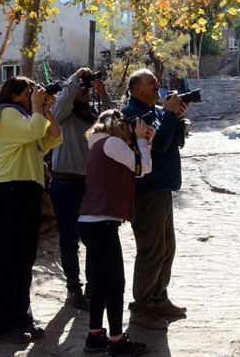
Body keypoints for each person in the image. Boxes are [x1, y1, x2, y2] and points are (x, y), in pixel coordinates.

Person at [0, 76, 63, 344]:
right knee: (9, 262)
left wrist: (47, 107)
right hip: (8, 193)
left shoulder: (30, 119)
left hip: (26, 195)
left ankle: (21, 319)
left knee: (24, 261)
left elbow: (54, 138)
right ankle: (1, 326)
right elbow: (34, 131)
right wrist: (38, 108)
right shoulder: (7, 114)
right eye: (31, 92)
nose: (35, 95)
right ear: (16, 95)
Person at [78, 109, 153, 356]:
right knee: (115, 284)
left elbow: (137, 166)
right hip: (102, 223)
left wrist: (144, 142)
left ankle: (94, 336)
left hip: (90, 221)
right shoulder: (111, 142)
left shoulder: (98, 144)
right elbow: (144, 168)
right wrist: (141, 140)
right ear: (117, 125)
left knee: (100, 283)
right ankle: (117, 342)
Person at [121, 69, 189, 330]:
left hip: (162, 190)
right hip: (146, 192)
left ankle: (159, 299)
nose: (157, 85)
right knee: (151, 251)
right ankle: (141, 308)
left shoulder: (158, 112)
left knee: (166, 249)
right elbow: (158, 146)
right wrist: (170, 113)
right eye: (152, 82)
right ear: (136, 88)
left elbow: (174, 142)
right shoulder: (132, 115)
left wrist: (178, 119)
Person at [50, 68, 111, 310]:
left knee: (92, 239)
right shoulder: (61, 116)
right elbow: (62, 102)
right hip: (65, 183)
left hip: (90, 184)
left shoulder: (92, 115)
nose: (85, 90)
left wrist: (103, 93)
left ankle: (91, 286)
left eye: (87, 87)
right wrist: (74, 79)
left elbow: (114, 122)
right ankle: (73, 288)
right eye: (82, 88)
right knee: (69, 240)